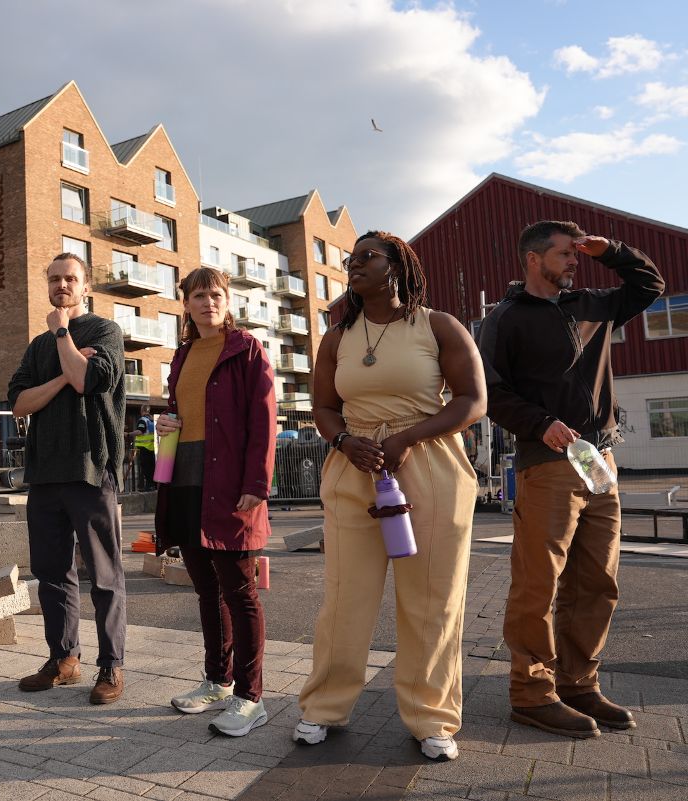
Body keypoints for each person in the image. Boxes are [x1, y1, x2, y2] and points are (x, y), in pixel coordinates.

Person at [293, 231, 485, 761]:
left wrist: (408, 437)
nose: (352, 265)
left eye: (365, 258)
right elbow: (325, 407)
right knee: (344, 597)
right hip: (356, 465)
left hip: (428, 462)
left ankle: (432, 718)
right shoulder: (338, 336)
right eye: (349, 259)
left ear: (397, 266)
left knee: (433, 599)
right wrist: (342, 440)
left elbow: (473, 399)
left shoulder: (437, 325)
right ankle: (323, 708)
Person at [477, 221, 663, 738]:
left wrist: (612, 251)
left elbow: (650, 286)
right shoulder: (506, 319)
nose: (575, 261)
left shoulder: (592, 305)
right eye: (566, 253)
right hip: (548, 463)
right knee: (539, 582)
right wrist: (539, 423)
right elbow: (490, 390)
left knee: (597, 581)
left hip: (601, 464)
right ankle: (531, 693)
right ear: (534, 259)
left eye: (579, 254)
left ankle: (579, 683)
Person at [155, 267, 277, 737]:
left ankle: (251, 697)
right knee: (207, 590)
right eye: (200, 295)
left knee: (240, 591)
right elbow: (183, 413)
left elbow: (263, 420)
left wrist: (257, 484)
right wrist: (168, 422)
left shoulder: (245, 348)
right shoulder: (182, 356)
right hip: (185, 481)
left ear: (228, 301)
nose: (209, 302)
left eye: (217, 294)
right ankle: (217, 681)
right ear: (185, 303)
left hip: (231, 486)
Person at [8, 252, 128, 705]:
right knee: (52, 573)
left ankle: (111, 665)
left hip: (91, 469)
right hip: (45, 474)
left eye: (70, 279)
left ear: (85, 286)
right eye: (54, 278)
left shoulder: (104, 332)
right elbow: (20, 403)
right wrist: (59, 376)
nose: (62, 285)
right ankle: (63, 659)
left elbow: (87, 381)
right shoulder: (38, 346)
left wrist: (62, 333)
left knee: (103, 574)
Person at [134, 404, 156, 491]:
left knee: (145, 468)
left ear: (141, 410)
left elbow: (140, 431)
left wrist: (128, 434)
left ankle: (148, 486)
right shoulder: (152, 421)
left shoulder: (142, 420)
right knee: (151, 467)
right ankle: (151, 485)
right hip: (152, 448)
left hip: (144, 448)